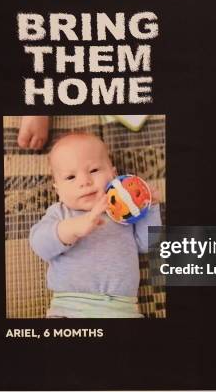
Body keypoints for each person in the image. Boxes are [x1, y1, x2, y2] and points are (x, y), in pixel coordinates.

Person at [29, 133, 161, 318]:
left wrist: (150, 208)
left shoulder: (124, 211)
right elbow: (40, 245)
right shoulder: (60, 213)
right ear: (57, 189)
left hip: (122, 311)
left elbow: (149, 243)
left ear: (113, 174)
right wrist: (74, 228)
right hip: (70, 309)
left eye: (93, 170)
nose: (85, 181)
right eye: (70, 177)